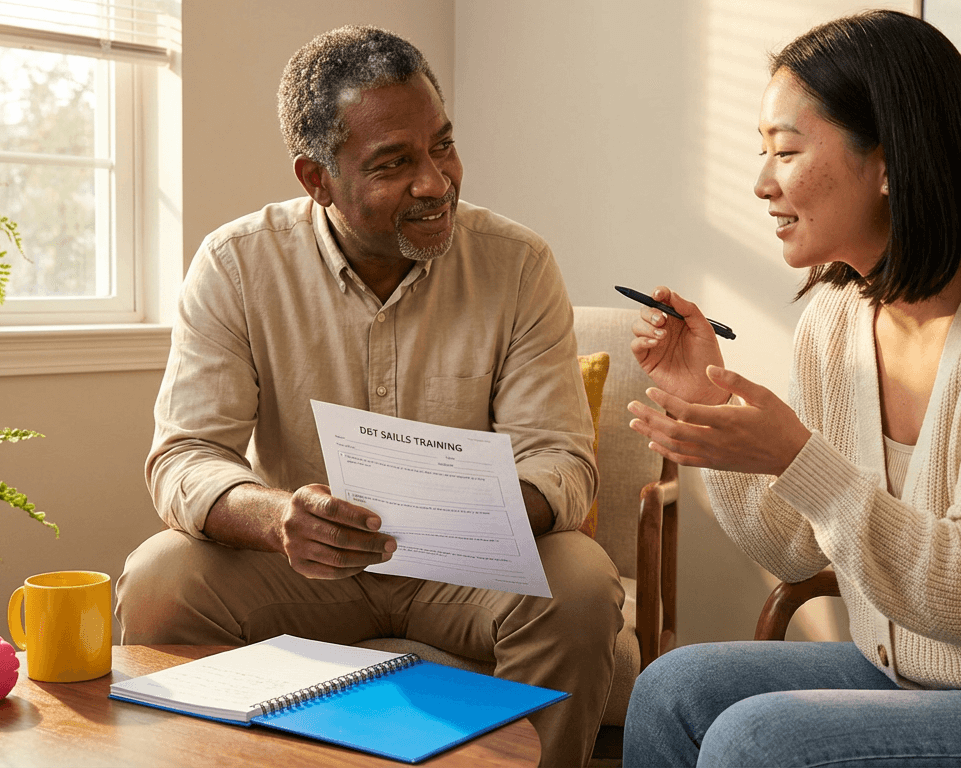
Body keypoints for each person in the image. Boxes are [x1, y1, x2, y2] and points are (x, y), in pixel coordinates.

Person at [621, 10, 961, 768]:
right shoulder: (836, 319)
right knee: (672, 689)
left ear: (888, 162)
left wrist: (799, 458)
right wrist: (713, 410)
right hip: (917, 672)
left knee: (758, 741)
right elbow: (794, 549)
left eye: (787, 150)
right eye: (761, 151)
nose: (761, 183)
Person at [114, 25, 623, 767]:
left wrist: (470, 513)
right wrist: (279, 518)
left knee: (580, 581)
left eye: (443, 146)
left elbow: (561, 461)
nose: (436, 182)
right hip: (304, 569)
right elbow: (185, 457)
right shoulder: (235, 264)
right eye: (394, 163)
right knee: (161, 577)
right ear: (316, 179)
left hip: (469, 570)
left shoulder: (518, 264)